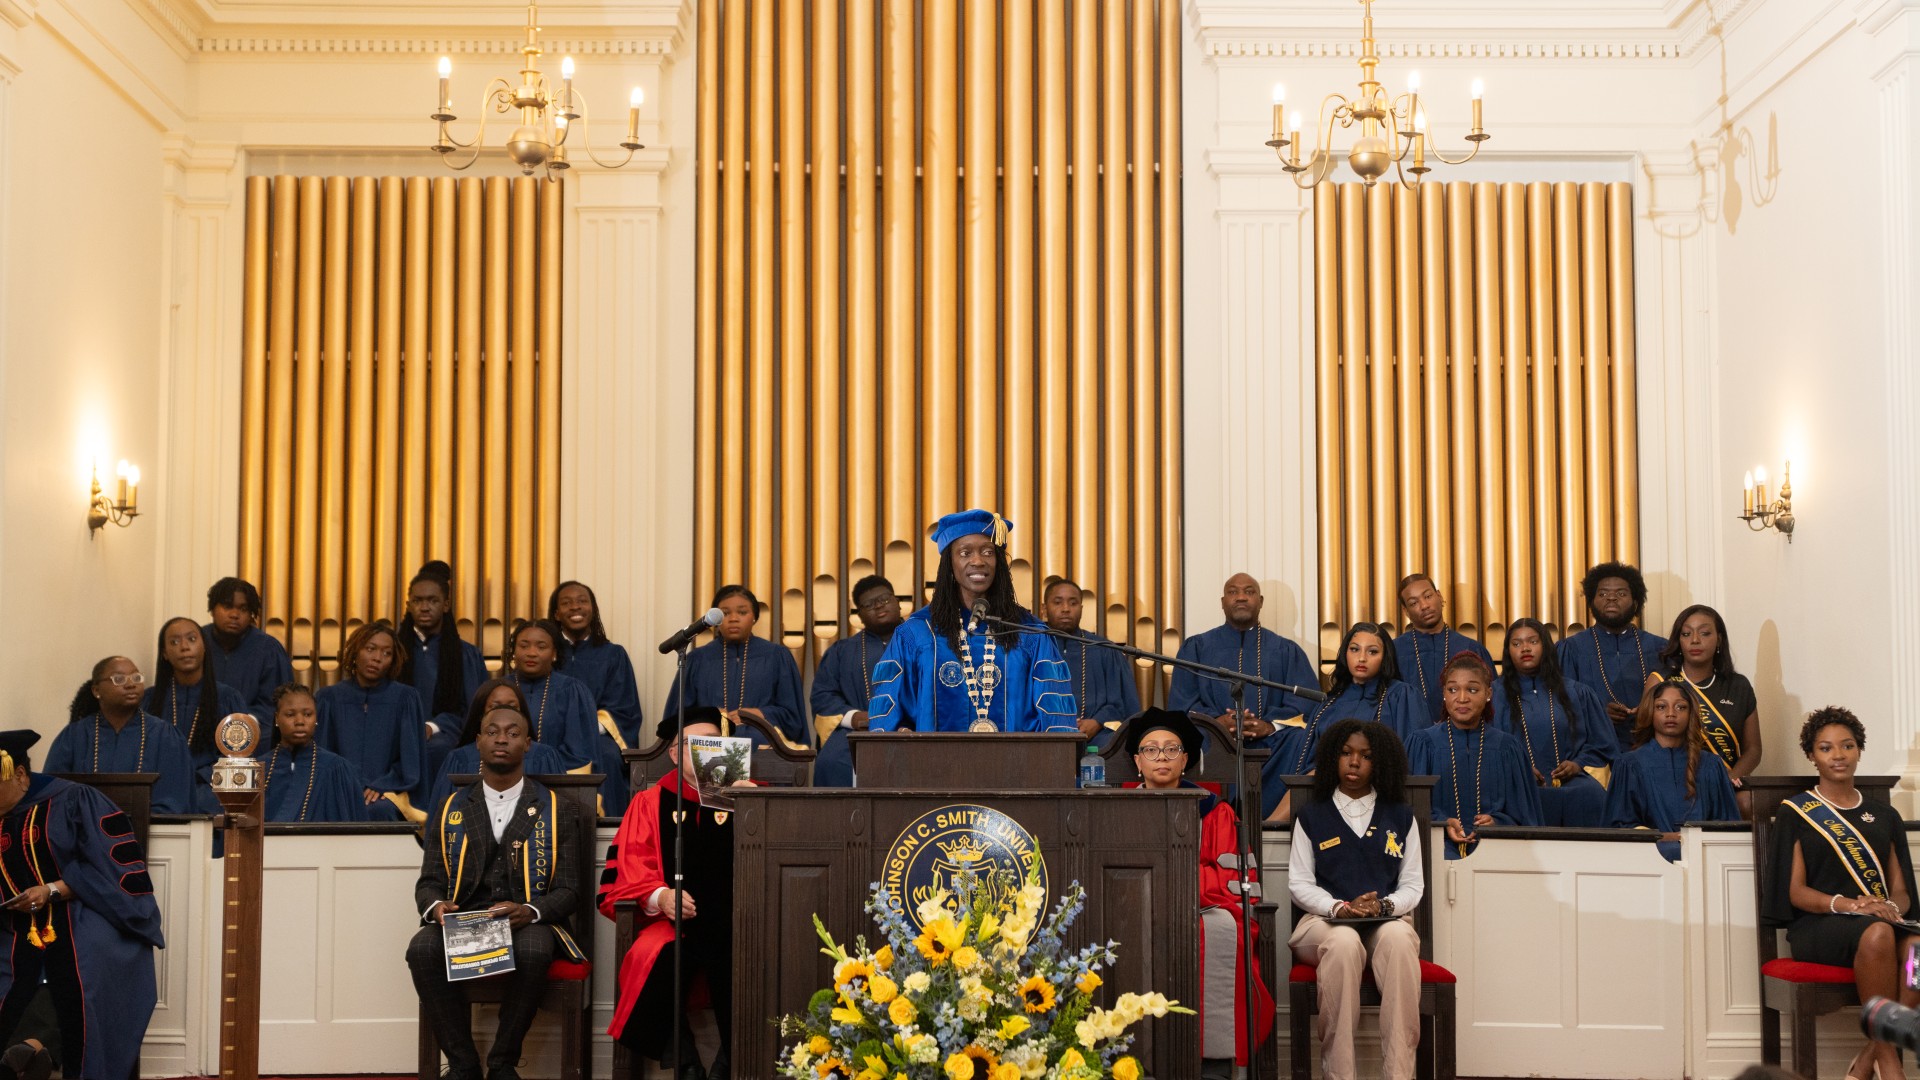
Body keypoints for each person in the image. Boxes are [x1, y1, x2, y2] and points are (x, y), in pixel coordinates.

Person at [408, 707, 586, 1080]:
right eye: (492, 731)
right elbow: (429, 882)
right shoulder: (449, 808)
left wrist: (530, 911)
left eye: (512, 732)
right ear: (478, 742)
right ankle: (463, 1064)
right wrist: (437, 906)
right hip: (466, 920)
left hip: (524, 921)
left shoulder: (557, 809)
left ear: (527, 744)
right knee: (421, 948)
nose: (501, 739)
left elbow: (570, 890)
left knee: (535, 949)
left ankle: (503, 1062)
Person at [1762, 707, 1917, 1080]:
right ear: (1812, 755)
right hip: (1819, 925)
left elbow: (1901, 888)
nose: (1838, 755)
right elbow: (1796, 892)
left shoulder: (1884, 815)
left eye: (1847, 746)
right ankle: (1890, 1061)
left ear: (1859, 750)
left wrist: (1889, 907)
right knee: (1878, 934)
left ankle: (1869, 1057)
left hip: (1879, 921)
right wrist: (1850, 905)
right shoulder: (1797, 812)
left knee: (1916, 949)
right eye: (1826, 748)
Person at [601, 707, 756, 1080]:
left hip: (742, 921)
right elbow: (629, 872)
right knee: (656, 956)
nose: (707, 751)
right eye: (694, 744)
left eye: (715, 743)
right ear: (673, 753)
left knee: (747, 952)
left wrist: (758, 810)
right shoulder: (651, 802)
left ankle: (730, 1062)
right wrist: (661, 897)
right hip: (676, 923)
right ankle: (684, 1060)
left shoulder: (753, 798)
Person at [0, 730, 164, 1080]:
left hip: (86, 911)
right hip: (13, 926)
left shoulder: (74, 801)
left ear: (20, 775)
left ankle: (34, 1051)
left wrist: (52, 891)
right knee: (17, 965)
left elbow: (113, 869)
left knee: (81, 962)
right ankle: (31, 1052)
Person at [1123, 709, 1271, 1079]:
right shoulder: (1117, 809)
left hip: (1202, 911)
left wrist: (1175, 881)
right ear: (1137, 761)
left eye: (1171, 749)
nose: (1161, 757)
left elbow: (1233, 881)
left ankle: (1212, 1061)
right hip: (1131, 907)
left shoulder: (1215, 811)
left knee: (1217, 932)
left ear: (1186, 759)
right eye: (1151, 750)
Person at [1288, 719, 1425, 1080]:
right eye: (1346, 753)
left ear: (1379, 762)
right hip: (1323, 924)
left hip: (1384, 922)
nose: (1354, 762)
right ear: (1333, 757)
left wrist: (1383, 907)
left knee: (1399, 939)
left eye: (1365, 756)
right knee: (1345, 941)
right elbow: (1299, 884)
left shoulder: (1401, 815)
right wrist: (1338, 908)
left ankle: (1399, 1074)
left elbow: (1413, 886)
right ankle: (1339, 1075)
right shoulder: (1311, 814)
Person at [866, 510, 1077, 733]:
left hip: (1015, 765)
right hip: (931, 765)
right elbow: (887, 713)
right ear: (950, 564)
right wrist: (900, 733)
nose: (977, 561)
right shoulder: (917, 632)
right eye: (965, 553)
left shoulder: (1030, 632)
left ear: (998, 563)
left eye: (987, 552)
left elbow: (1056, 719)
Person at [1262, 622, 1425, 821]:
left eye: (1372, 651)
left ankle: (1269, 829)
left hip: (1376, 789)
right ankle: (1269, 830)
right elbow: (1309, 758)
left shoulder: (1400, 695)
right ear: (1345, 654)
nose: (1362, 658)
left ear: (1385, 658)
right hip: (1326, 789)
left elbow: (1414, 755)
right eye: (1354, 649)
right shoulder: (1330, 703)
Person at [1407, 653, 1540, 859]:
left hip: (1497, 850)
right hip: (1435, 849)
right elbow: (1409, 809)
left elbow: (1526, 815)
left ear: (1488, 693)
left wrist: (1498, 822)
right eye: (1452, 689)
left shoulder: (1508, 748)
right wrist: (1441, 823)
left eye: (1472, 690)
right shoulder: (1422, 744)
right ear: (1444, 693)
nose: (1462, 698)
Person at [1166, 573, 1320, 750]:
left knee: (1299, 739)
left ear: (1260, 601)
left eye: (1249, 592)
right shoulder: (1196, 648)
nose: (1241, 597)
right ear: (1222, 602)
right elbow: (1182, 703)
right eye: (1232, 592)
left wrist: (1270, 726)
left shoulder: (1286, 650)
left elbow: (1306, 704)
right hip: (1211, 740)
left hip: (1274, 744)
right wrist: (1216, 722)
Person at [1491, 619, 1614, 828]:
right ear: (1507, 651)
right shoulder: (1494, 694)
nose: (1525, 648)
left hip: (1574, 783)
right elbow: (1487, 745)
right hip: (1517, 785)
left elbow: (1604, 745)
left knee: (1590, 795)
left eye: (1532, 641)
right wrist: (1520, 769)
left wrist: (1577, 764)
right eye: (1517, 643)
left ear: (1546, 646)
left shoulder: (1576, 692)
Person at [46, 656, 205, 815]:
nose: (131, 684)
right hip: (83, 833)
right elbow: (53, 795)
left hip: (151, 833)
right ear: (96, 690)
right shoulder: (74, 737)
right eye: (119, 679)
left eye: (136, 677)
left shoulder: (166, 736)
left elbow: (174, 801)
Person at [1605, 679, 1740, 861]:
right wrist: (1671, 838)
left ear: (1691, 713)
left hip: (1706, 860)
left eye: (1680, 707)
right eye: (1661, 707)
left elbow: (1728, 826)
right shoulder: (1630, 765)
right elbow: (1618, 827)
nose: (1671, 714)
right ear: (1650, 712)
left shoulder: (1711, 765)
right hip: (1647, 861)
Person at [1647, 604, 1761, 812]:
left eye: (1705, 633)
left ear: (1719, 638)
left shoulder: (1738, 686)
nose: (1695, 640)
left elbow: (1753, 749)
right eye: (1686, 634)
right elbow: (1646, 739)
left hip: (1726, 781)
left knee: (1749, 803)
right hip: (1672, 779)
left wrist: (1728, 778)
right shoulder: (1661, 681)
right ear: (1678, 640)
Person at [664, 585, 811, 746]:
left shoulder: (777, 656)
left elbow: (792, 717)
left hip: (762, 743)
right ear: (715, 620)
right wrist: (710, 715)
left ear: (754, 617)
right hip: (707, 742)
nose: (733, 618)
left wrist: (759, 714)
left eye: (742, 612)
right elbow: (677, 716)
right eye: (725, 613)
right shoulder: (697, 659)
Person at [315, 621, 428, 822]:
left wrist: (383, 785)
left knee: (379, 810)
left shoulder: (405, 698)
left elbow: (410, 759)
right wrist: (347, 787)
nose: (377, 658)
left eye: (387, 653)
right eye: (370, 649)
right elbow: (324, 754)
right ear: (355, 652)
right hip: (340, 788)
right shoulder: (330, 698)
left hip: (390, 791)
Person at [550, 581, 644, 816]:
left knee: (609, 755)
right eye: (566, 603)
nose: (575, 607)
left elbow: (624, 707)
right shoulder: (546, 652)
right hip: (552, 731)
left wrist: (584, 727)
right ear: (556, 614)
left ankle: (610, 831)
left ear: (593, 609)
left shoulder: (613, 655)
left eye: (582, 601)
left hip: (597, 734)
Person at [1557, 561, 1667, 749]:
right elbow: (1560, 705)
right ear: (1591, 601)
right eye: (1603, 593)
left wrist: (1651, 710)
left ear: (1636, 602)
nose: (1611, 598)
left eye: (1621, 593)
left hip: (1651, 746)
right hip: (1595, 752)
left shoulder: (1660, 648)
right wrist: (1597, 714)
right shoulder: (1571, 649)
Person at [809, 575, 905, 786]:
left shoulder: (926, 642)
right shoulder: (842, 651)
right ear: (859, 615)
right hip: (860, 730)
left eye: (885, 599)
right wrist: (853, 717)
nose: (879, 606)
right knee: (831, 762)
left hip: (915, 728)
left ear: (898, 601)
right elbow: (823, 695)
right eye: (869, 604)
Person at [423, 680, 570, 815]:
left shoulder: (544, 756)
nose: (503, 713)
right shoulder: (459, 759)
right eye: (494, 707)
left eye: (512, 707)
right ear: (481, 714)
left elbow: (560, 817)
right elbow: (440, 822)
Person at [398, 562, 487, 783]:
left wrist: (432, 726)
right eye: (418, 601)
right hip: (397, 733)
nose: (425, 607)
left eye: (432, 600)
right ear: (409, 605)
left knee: (438, 749)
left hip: (446, 738)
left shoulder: (464, 654)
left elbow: (473, 710)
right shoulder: (394, 652)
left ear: (446, 605)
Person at [145, 615, 249, 789]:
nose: (185, 647)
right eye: (174, 642)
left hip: (209, 790)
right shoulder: (151, 699)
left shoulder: (228, 698)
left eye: (192, 639)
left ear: (204, 647)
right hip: (160, 790)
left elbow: (238, 761)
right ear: (164, 653)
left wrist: (198, 778)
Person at [1044, 577, 1142, 747]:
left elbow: (1124, 704)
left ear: (1081, 609)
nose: (1066, 609)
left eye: (1073, 603)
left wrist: (1098, 722)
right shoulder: (1033, 649)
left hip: (1098, 738)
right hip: (1043, 736)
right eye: (1058, 602)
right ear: (1044, 609)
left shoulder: (1105, 650)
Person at [260, 683, 367, 823]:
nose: (300, 721)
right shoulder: (259, 768)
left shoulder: (337, 769)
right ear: (276, 718)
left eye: (308, 714)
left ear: (316, 718)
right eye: (290, 714)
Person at [505, 619, 601, 771]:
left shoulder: (572, 692)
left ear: (554, 654)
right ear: (514, 651)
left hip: (556, 783)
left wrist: (534, 767)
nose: (531, 653)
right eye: (523, 646)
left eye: (541, 647)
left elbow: (579, 754)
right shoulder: (497, 691)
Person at [1392, 574, 1493, 717]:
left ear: (1438, 596)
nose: (1424, 606)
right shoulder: (1394, 651)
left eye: (1428, 596)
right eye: (1414, 603)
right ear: (1406, 611)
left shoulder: (1471, 648)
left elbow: (1491, 704)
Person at [202, 577, 295, 724]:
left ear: (251, 614)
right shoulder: (197, 643)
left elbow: (278, 704)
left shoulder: (268, 650)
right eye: (227, 606)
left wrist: (243, 724)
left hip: (253, 736)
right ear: (212, 609)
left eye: (243, 609)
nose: (234, 614)